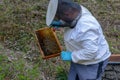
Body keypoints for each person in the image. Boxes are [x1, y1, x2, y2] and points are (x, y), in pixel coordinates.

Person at [46, 0, 111, 80]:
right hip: (79, 56)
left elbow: (91, 52)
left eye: (60, 17)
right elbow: (73, 23)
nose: (59, 19)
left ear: (67, 14)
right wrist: (62, 24)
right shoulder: (75, 11)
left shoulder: (87, 27)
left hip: (92, 62)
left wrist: (72, 56)